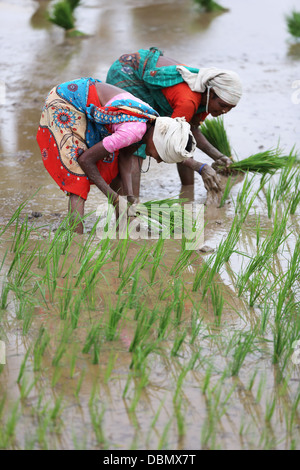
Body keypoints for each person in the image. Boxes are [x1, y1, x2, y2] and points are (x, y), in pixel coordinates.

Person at [36, 77, 219, 234]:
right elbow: (86, 160)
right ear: (158, 141)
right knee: (78, 178)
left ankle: (122, 229)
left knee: (113, 167)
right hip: (67, 101)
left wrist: (130, 196)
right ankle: (75, 242)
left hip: (87, 96)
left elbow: (124, 156)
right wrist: (113, 196)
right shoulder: (132, 132)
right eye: (161, 156)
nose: (157, 160)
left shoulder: (151, 123)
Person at [106, 46, 242, 194]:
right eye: (223, 105)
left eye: (230, 108)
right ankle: (132, 202)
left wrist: (220, 157)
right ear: (212, 92)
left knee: (185, 142)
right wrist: (201, 167)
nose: (224, 111)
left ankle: (187, 193)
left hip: (147, 79)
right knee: (137, 141)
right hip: (128, 74)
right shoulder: (188, 101)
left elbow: (191, 131)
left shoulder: (206, 98)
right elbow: (170, 141)